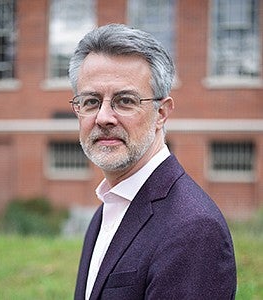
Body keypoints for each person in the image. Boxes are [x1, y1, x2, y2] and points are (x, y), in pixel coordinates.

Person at [69, 23, 236, 300]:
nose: (103, 117)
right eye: (90, 101)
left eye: (124, 101)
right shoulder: (108, 209)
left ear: (161, 113)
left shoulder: (194, 229)